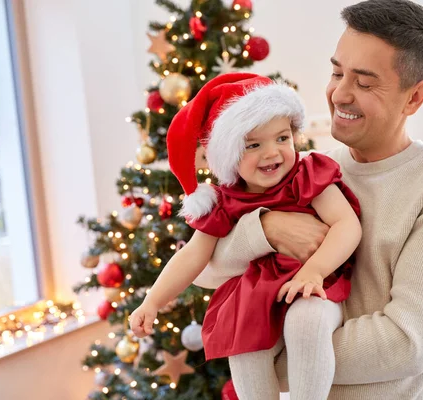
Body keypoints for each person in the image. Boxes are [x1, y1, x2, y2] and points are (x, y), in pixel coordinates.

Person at [194, 1, 423, 399]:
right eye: (337, 72)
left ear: (414, 98)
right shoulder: (305, 173)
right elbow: (207, 274)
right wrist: (267, 229)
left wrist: (260, 352)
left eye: (364, 83)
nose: (339, 94)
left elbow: (405, 343)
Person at [129, 72, 362, 400]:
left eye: (282, 138)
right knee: (244, 344)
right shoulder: (224, 200)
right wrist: (153, 300)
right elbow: (193, 255)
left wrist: (315, 270)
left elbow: (347, 225)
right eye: (254, 145)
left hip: (316, 284)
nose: (272, 153)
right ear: (227, 155)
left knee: (306, 321)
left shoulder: (307, 174)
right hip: (257, 294)